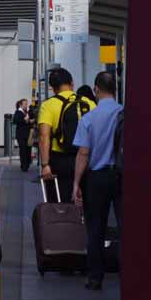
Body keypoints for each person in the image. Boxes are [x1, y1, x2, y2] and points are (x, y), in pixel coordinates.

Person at [71, 71, 123, 291]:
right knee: (126, 226)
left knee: (95, 228)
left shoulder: (89, 118)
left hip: (97, 178)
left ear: (96, 90)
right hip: (122, 176)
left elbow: (83, 152)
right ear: (115, 90)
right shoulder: (124, 113)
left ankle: (95, 277)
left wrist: (76, 184)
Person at [38, 68, 96, 203]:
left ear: (52, 88)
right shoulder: (89, 103)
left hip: (59, 161)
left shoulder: (48, 105)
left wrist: (45, 164)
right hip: (85, 159)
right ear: (72, 83)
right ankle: (83, 224)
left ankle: (62, 223)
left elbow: (43, 136)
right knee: (88, 203)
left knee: (59, 202)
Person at [13, 99, 33, 172]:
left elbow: (32, 118)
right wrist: (25, 120)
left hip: (28, 134)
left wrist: (30, 120)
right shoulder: (18, 112)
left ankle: (27, 165)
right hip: (21, 135)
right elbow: (15, 121)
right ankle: (23, 166)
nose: (26, 105)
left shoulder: (28, 112)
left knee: (28, 150)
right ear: (20, 105)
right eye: (24, 104)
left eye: (26, 104)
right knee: (23, 150)